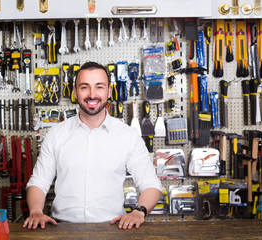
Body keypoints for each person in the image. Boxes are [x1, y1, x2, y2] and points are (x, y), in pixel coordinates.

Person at [23, 61, 162, 230]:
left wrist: (139, 211)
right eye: (84, 87)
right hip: (62, 230)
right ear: (75, 92)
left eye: (99, 87)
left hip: (114, 229)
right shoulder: (56, 135)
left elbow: (151, 184)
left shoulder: (128, 136)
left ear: (109, 91)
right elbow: (38, 182)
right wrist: (36, 211)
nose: (92, 94)